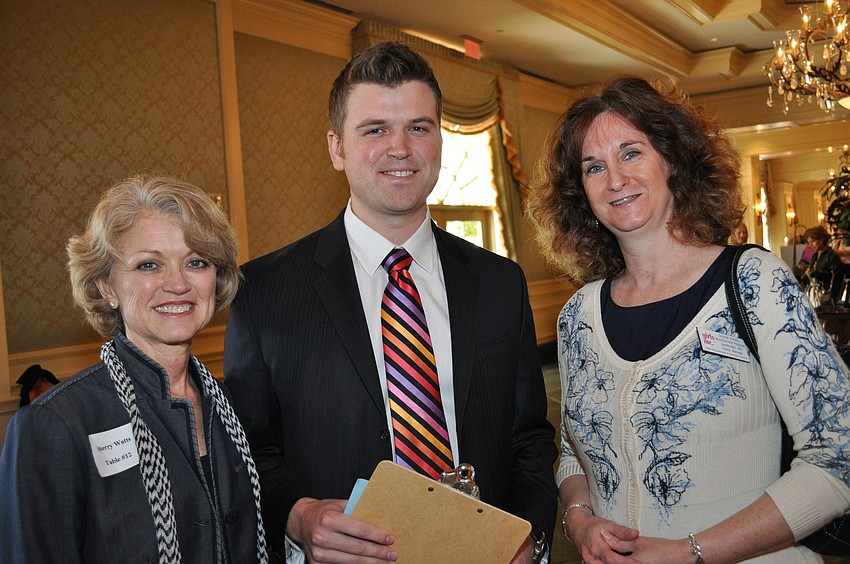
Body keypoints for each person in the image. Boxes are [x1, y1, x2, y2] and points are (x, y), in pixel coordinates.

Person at [224, 41, 558, 564]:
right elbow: (248, 453)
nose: (400, 148)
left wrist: (531, 538)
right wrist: (298, 515)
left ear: (439, 141)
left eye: (419, 128)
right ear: (336, 148)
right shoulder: (264, 292)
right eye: (375, 129)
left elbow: (530, 439)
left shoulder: (500, 284)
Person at [526, 76, 850, 562]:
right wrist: (579, 518)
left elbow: (838, 456)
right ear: (581, 193)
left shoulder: (752, 281)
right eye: (594, 167)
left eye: (631, 153)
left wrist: (690, 552)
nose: (615, 179)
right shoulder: (578, 316)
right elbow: (575, 450)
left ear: (673, 161)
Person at [0, 175, 267, 563]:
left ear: (216, 278)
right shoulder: (55, 425)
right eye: (148, 265)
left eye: (196, 262)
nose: (177, 283)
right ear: (105, 286)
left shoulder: (226, 404)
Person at [797, 226, 844, 300]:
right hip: (814, 295)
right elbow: (809, 273)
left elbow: (837, 277)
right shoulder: (814, 256)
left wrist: (817, 273)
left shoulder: (832, 256)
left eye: (813, 241)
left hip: (827, 296)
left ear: (821, 239)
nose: (810, 245)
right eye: (809, 243)